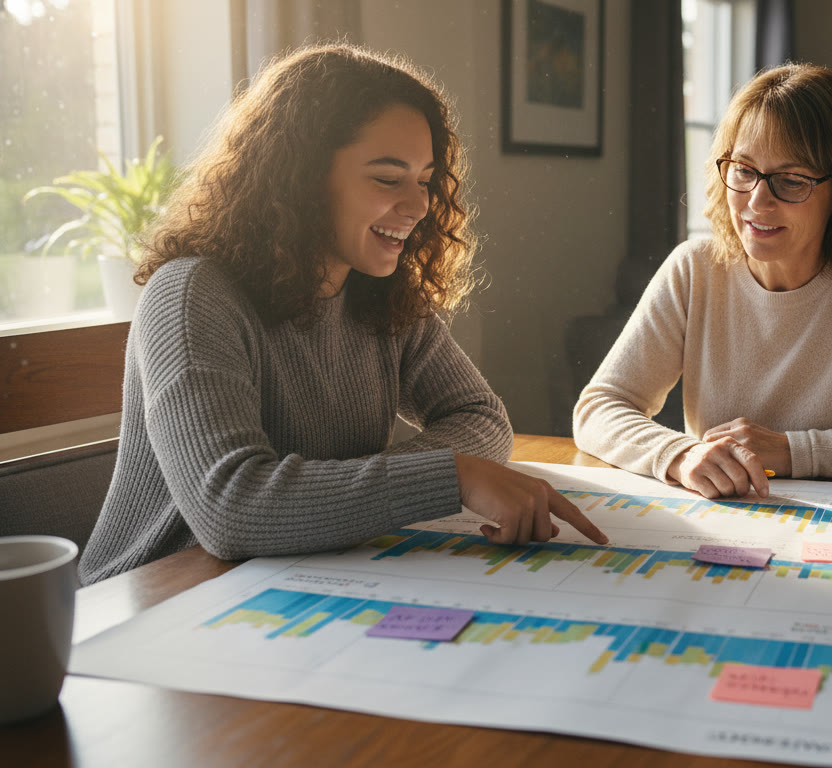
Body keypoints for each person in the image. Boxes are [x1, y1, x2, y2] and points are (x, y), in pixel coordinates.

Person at [80, 44, 606, 585]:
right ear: (300, 177)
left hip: (295, 578)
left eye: (424, 180)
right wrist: (449, 476)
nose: (421, 206)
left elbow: (481, 418)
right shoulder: (192, 294)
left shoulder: (380, 293)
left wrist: (380, 487)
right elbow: (230, 509)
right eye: (387, 178)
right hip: (156, 596)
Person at [573, 63, 832, 500]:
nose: (757, 201)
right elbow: (599, 408)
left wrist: (794, 451)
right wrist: (679, 454)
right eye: (744, 170)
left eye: (790, 180)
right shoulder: (693, 269)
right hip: (718, 520)